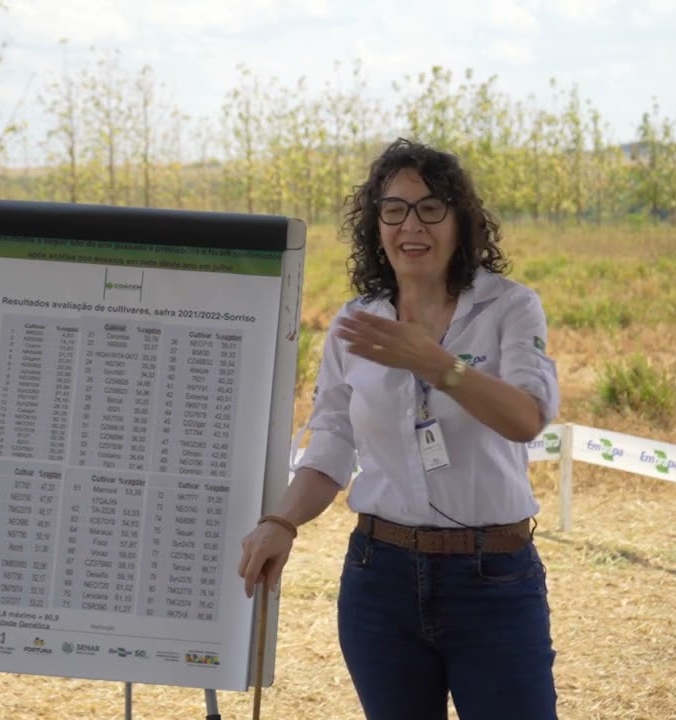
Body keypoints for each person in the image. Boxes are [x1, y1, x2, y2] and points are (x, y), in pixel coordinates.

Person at [238, 138, 560, 720]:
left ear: (460, 222)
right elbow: (331, 443)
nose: (412, 226)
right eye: (394, 209)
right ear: (376, 225)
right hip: (379, 580)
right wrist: (280, 522)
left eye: (430, 207)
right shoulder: (356, 322)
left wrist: (437, 364)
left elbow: (526, 417)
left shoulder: (509, 307)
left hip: (492, 579)